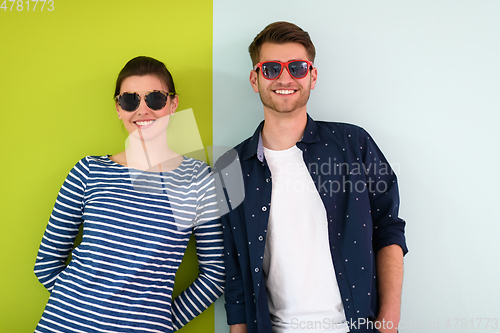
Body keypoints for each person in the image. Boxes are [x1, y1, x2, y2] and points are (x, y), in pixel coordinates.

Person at [221, 22, 408, 333]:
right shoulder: (231, 168)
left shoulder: (354, 144)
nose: (284, 78)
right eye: (270, 69)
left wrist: (388, 322)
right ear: (254, 79)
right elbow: (234, 268)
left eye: (297, 67)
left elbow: (388, 229)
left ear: (313, 76)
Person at [34, 56, 224, 332]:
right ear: (118, 109)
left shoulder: (200, 180)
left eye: (155, 98)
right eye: (130, 100)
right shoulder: (89, 171)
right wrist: (84, 308)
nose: (142, 110)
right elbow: (46, 264)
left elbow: (215, 275)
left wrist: (158, 322)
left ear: (173, 104)